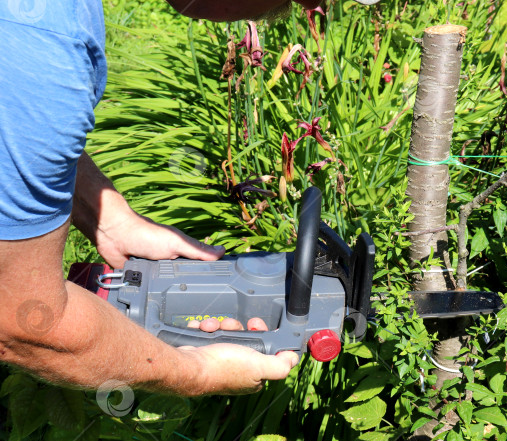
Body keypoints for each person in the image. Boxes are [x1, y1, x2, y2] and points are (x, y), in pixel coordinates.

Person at [0, 0, 333, 396]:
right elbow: (24, 323)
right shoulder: (45, 41)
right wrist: (197, 372)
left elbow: (16, 127)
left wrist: (108, 217)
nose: (315, 6)